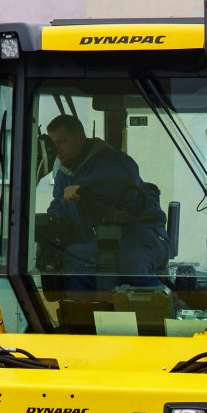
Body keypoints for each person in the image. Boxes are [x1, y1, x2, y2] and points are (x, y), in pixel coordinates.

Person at [45, 114, 169, 286]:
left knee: (131, 267)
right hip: (103, 241)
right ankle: (86, 310)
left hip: (142, 234)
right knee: (72, 258)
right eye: (53, 144)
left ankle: (169, 303)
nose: (57, 150)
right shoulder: (63, 175)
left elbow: (119, 180)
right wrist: (50, 222)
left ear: (80, 138)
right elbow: (60, 204)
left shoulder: (116, 161)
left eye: (62, 142)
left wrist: (82, 187)